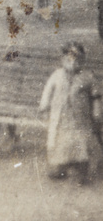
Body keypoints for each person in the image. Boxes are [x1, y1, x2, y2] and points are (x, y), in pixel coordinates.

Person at [39, 42, 102, 185]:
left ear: (82, 59)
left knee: (81, 146)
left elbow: (96, 95)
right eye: (70, 57)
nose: (73, 61)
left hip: (81, 120)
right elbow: (48, 91)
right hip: (61, 118)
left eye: (77, 58)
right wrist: (44, 107)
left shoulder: (87, 77)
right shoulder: (57, 75)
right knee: (61, 144)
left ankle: (82, 173)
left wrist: (97, 112)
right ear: (63, 58)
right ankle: (61, 168)